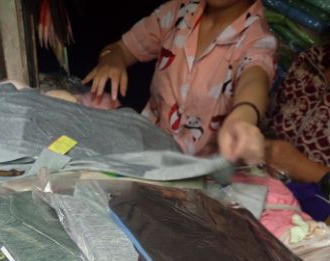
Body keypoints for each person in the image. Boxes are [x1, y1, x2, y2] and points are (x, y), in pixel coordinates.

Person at [83, 0, 277, 165]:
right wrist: (112, 58)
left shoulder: (257, 40)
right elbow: (122, 48)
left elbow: (254, 78)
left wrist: (244, 117)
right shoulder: (178, 11)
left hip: (196, 179)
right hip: (140, 152)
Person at [264, 43, 330, 218]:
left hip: (316, 221)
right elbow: (270, 116)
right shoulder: (311, 59)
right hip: (263, 194)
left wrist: (304, 168)